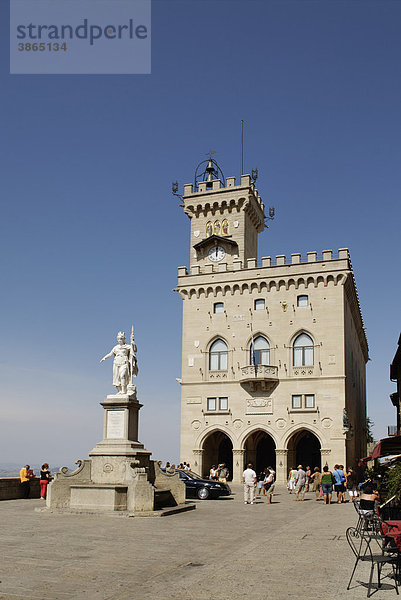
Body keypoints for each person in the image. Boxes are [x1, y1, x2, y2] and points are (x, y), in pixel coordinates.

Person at [100, 330, 138, 395]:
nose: (119, 340)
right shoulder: (116, 347)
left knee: (122, 375)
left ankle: (123, 391)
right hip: (116, 363)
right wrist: (104, 358)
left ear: (123, 339)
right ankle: (120, 390)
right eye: (118, 339)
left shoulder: (127, 346)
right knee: (117, 378)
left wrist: (133, 342)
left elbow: (134, 350)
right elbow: (110, 354)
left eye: (121, 339)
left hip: (124, 362)